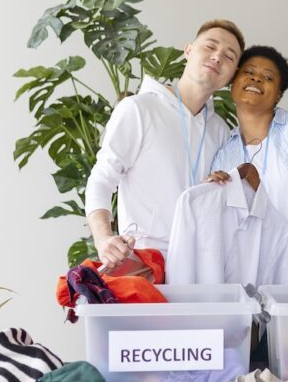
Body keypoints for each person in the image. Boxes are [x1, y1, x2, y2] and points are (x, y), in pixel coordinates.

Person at [85, 20, 245, 270]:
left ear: (233, 74)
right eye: (210, 46)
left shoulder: (221, 131)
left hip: (203, 267)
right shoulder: (139, 109)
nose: (217, 57)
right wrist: (104, 238)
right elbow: (101, 179)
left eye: (229, 56)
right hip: (145, 264)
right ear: (189, 50)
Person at [208, 46, 288, 284]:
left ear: (278, 94)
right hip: (245, 270)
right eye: (248, 72)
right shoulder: (225, 154)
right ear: (232, 83)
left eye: (268, 77)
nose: (256, 79)